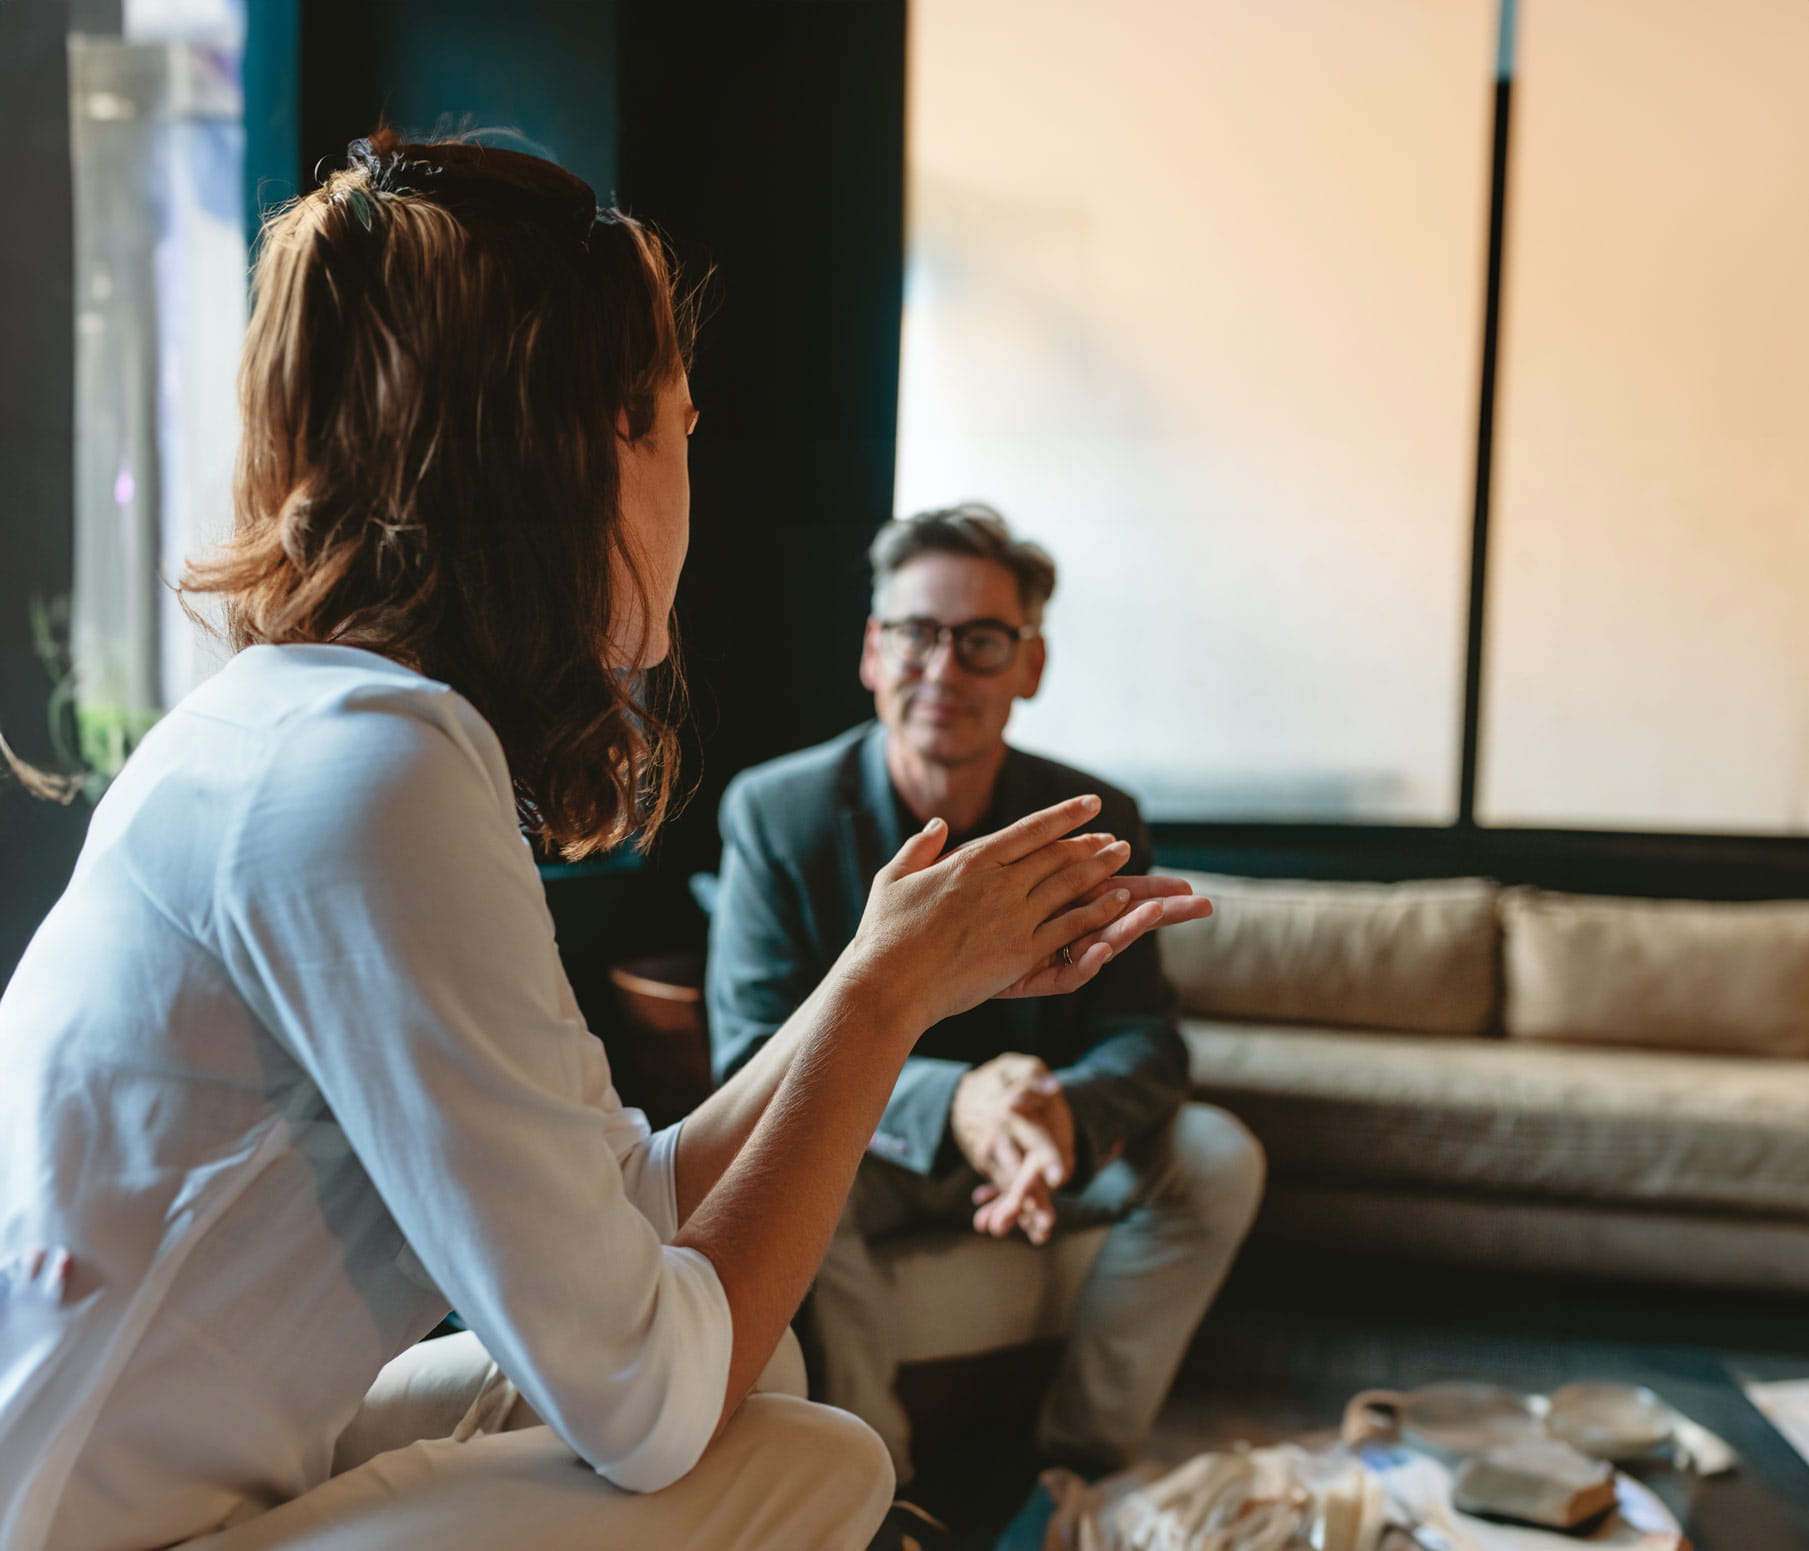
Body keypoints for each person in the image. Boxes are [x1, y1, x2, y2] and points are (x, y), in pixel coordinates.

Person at [0, 138, 1198, 1551]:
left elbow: (623, 1207)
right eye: (678, 424)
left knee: (769, 1373)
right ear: (581, 447)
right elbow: (644, 1392)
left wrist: (888, 971)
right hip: (79, 1522)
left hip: (123, 1464)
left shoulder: (325, 725)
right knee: (806, 1460)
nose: (689, 467)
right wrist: (885, 997)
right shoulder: (374, 770)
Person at [707, 505, 1266, 1484]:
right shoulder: (776, 812)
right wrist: (956, 1100)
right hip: (870, 1144)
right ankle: (876, 1493)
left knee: (1219, 1156)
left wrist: (1060, 1110)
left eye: (982, 641)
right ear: (874, 652)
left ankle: (1076, 1474)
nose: (945, 670)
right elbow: (747, 1051)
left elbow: (1149, 1043)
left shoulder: (1096, 819)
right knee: (794, 1168)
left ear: (1030, 666)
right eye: (918, 634)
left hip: (1046, 1144)